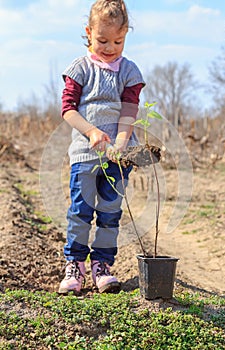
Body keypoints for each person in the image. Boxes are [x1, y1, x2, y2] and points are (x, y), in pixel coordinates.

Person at [59, 0, 145, 294]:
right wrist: (91, 131)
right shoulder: (80, 68)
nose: (110, 47)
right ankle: (75, 266)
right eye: (102, 40)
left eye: (118, 41)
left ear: (125, 35)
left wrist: (121, 144)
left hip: (117, 157)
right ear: (89, 32)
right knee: (81, 210)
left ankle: (103, 266)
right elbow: (68, 109)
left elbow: (129, 111)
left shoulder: (129, 71)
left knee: (110, 212)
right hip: (85, 154)